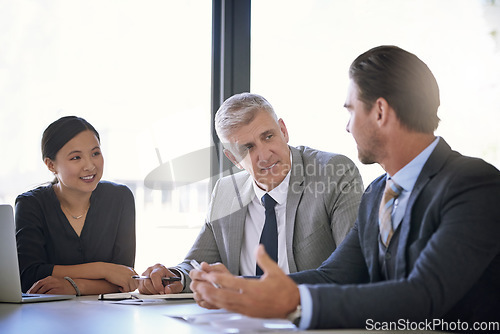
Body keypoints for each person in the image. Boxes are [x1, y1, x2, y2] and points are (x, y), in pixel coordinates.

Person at [189, 46, 500, 331]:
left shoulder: (474, 185)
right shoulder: (378, 192)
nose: (347, 126)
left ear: (380, 112)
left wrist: (295, 303)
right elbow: (334, 275)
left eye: (351, 111)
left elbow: (424, 295)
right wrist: (236, 287)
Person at [138, 93, 364, 295]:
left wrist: (243, 285)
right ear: (233, 159)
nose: (264, 156)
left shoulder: (333, 173)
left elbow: (353, 269)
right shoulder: (225, 192)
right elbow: (198, 264)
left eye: (268, 137)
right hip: (242, 322)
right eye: (248, 148)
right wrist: (175, 277)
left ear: (283, 131)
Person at [15, 116, 139, 295]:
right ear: (51, 165)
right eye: (76, 158)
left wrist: (73, 286)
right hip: (46, 316)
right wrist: (103, 270)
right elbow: (29, 275)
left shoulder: (120, 198)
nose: (90, 166)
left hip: (108, 315)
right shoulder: (30, 204)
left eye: (95, 153)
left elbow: (126, 278)